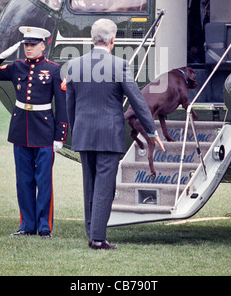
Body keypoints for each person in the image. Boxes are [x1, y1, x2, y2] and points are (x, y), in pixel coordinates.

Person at [66, 19, 165, 250]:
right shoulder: (119, 65)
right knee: (105, 188)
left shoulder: (73, 65)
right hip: (109, 135)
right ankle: (98, 239)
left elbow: (70, 104)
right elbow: (138, 102)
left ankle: (92, 231)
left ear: (92, 39)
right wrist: (151, 131)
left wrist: (76, 130)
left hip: (84, 133)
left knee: (90, 185)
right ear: (112, 40)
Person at [0, 26, 68, 238]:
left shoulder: (54, 70)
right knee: (24, 180)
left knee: (44, 180)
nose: (28, 48)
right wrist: (3, 56)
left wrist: (60, 136)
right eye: (26, 44)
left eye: (32, 45)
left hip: (45, 131)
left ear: (43, 45)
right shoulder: (16, 66)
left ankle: (44, 227)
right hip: (20, 129)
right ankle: (27, 225)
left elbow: (62, 106)